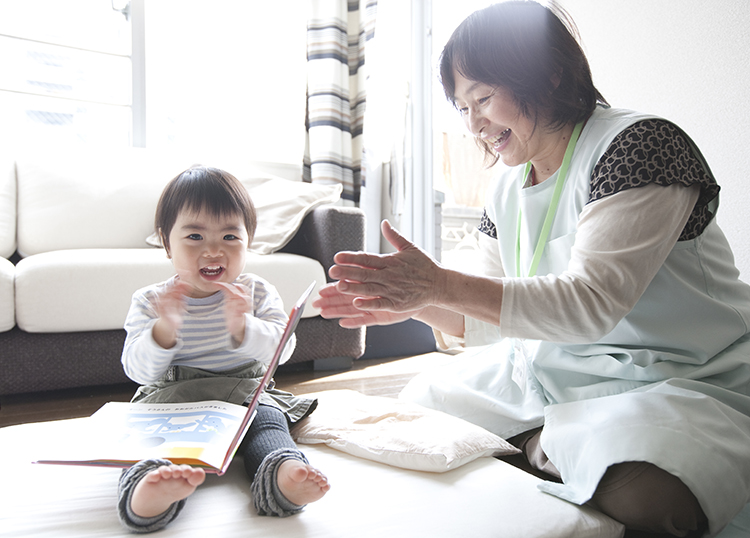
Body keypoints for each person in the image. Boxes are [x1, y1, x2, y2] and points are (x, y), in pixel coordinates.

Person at [313, 2, 750, 537]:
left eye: (484, 98)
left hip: (673, 377)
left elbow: (591, 304)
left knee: (651, 493)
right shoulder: (505, 187)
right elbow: (491, 321)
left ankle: (537, 446)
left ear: (548, 74)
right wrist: (412, 302)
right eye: (462, 106)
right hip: (548, 376)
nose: (474, 123)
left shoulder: (640, 145)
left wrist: (438, 284)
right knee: (419, 412)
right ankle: (548, 448)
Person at [118, 165, 329, 532]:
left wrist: (244, 327)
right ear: (167, 244)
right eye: (195, 236)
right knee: (155, 441)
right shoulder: (152, 300)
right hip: (175, 398)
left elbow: (283, 351)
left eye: (230, 236)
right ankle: (149, 488)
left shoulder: (257, 292)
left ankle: (282, 473)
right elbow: (138, 371)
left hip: (245, 394)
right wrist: (164, 331)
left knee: (268, 424)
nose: (213, 250)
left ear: (249, 243)